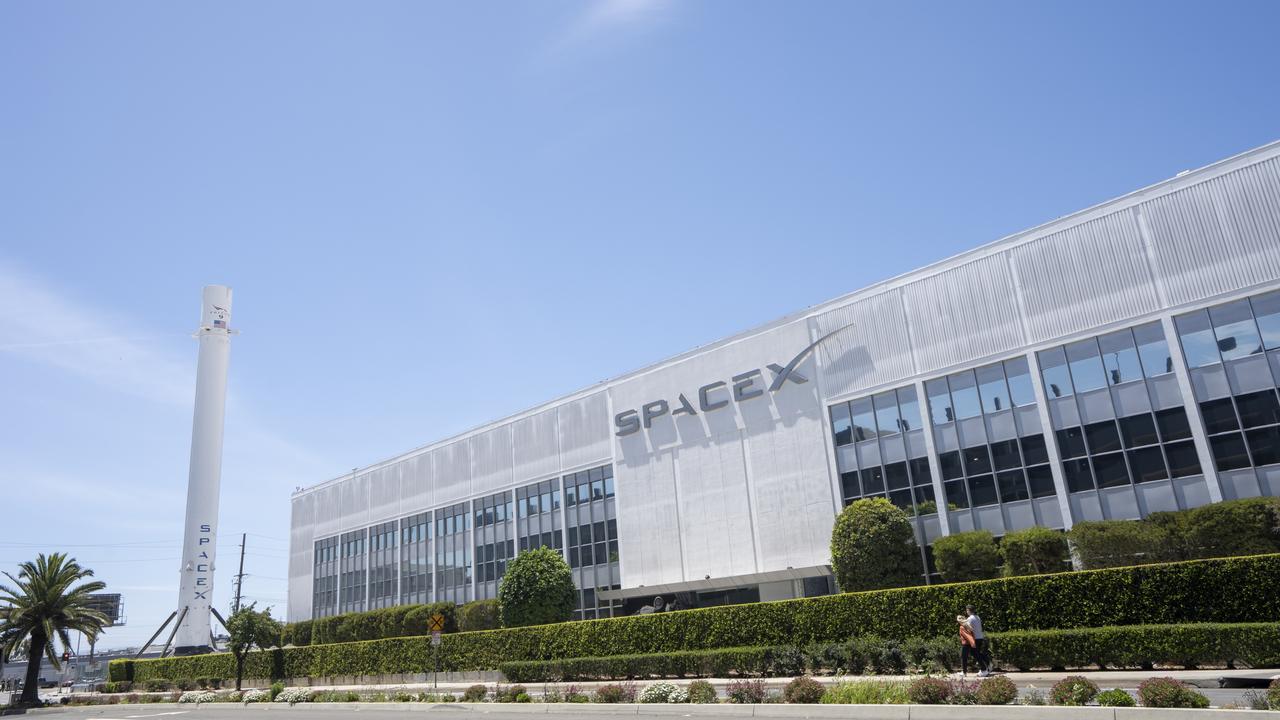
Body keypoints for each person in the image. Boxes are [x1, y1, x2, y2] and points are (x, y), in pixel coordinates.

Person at [964, 605, 991, 677]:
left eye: (967, 610)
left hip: (975, 638)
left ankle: (984, 669)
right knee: (978, 653)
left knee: (975, 654)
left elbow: (968, 629)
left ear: (969, 610)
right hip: (980, 638)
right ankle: (987, 665)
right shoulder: (977, 617)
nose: (966, 612)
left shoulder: (970, 618)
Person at [956, 613, 977, 677]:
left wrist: (973, 643)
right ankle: (964, 672)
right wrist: (973, 642)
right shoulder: (967, 626)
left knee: (963, 658)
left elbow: (967, 636)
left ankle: (964, 672)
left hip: (965, 644)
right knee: (973, 656)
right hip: (968, 644)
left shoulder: (962, 627)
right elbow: (972, 634)